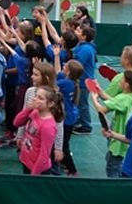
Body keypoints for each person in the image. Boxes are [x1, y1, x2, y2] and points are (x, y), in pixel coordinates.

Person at [92, 70, 132, 177]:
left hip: (119, 137)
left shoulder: (122, 98)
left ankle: (116, 186)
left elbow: (102, 110)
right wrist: (100, 91)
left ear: (126, 84)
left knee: (112, 167)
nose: (119, 80)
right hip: (129, 135)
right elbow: (115, 101)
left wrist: (94, 98)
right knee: (113, 160)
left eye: (122, 79)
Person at [14, 85, 63, 175]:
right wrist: (28, 109)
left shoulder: (48, 126)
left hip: (37, 169)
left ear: (50, 104)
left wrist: (34, 174)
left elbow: (44, 155)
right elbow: (17, 123)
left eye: (40, 98)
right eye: (35, 96)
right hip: (27, 161)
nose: (35, 99)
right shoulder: (35, 112)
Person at [53, 45, 83, 175]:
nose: (64, 65)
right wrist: (56, 56)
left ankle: (72, 170)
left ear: (69, 72)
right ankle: (64, 163)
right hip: (70, 117)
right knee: (62, 143)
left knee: (63, 145)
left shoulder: (66, 83)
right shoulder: (70, 81)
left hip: (67, 119)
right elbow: (58, 71)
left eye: (66, 66)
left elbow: (51, 84)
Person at [72, 25, 97, 134]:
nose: (75, 31)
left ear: (83, 36)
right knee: (78, 102)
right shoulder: (82, 46)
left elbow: (77, 64)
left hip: (84, 81)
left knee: (82, 104)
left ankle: (86, 126)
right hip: (81, 80)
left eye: (78, 30)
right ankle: (77, 122)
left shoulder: (85, 49)